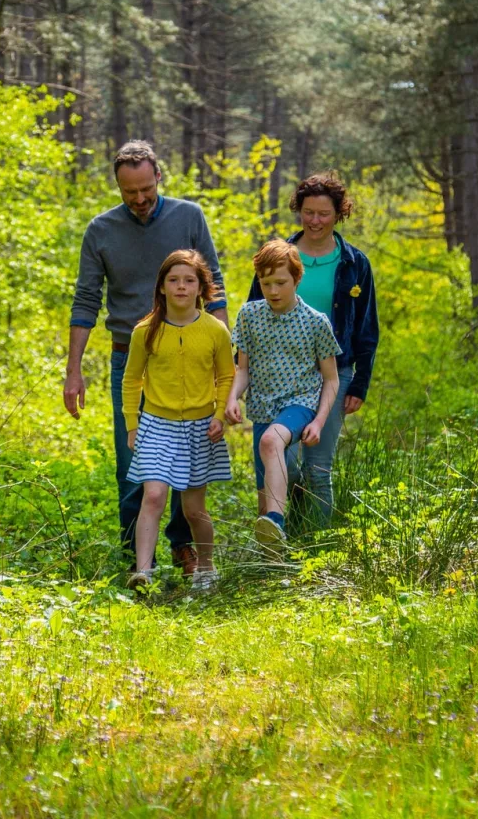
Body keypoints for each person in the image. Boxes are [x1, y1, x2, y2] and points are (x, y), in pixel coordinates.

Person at [66, 140, 228, 574]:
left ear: (159, 175)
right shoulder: (101, 230)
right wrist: (73, 371)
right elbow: (86, 300)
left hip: (192, 355)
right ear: (118, 186)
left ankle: (181, 545)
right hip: (131, 358)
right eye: (128, 192)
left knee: (188, 460)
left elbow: (215, 284)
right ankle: (135, 561)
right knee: (135, 462)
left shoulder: (188, 216)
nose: (138, 200)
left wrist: (225, 355)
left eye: (145, 190)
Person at [244, 172, 379, 529]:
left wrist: (359, 384)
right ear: (298, 211)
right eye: (308, 212)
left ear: (338, 214)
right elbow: (252, 317)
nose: (315, 221)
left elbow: (367, 329)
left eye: (323, 213)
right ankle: (278, 535)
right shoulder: (278, 257)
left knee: (319, 467)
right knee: (279, 459)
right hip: (279, 376)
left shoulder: (355, 263)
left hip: (336, 373)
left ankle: (315, 548)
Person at [120, 250, 233, 591]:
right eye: (173, 280)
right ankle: (144, 572)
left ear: (201, 288)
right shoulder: (145, 331)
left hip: (200, 428)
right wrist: (131, 423)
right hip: (156, 423)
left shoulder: (215, 331)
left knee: (193, 508)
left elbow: (226, 376)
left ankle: (207, 568)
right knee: (153, 495)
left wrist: (218, 415)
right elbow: (131, 379)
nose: (181, 287)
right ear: (162, 287)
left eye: (189, 280)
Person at [226, 239, 341, 552]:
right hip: (262, 407)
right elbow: (243, 369)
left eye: (281, 283)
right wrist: (232, 398)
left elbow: (331, 379)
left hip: (300, 404)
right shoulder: (249, 316)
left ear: (297, 279)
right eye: (266, 284)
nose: (273, 291)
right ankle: (273, 562)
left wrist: (318, 421)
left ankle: (278, 520)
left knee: (270, 442)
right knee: (265, 492)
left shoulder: (316, 323)